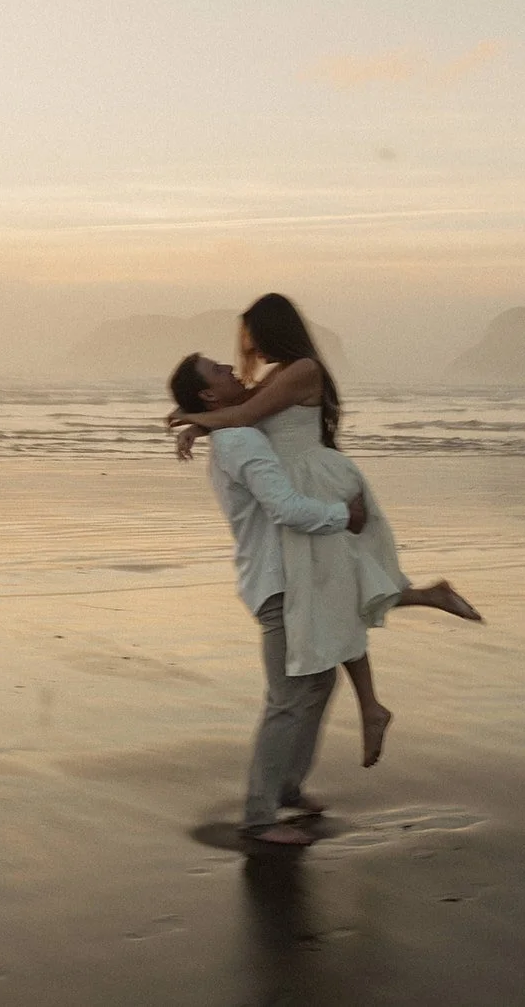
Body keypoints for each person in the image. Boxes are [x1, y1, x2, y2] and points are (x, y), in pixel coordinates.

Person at [169, 294, 482, 766]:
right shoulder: (281, 375)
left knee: (337, 593)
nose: (246, 352)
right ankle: (380, 691)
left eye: (251, 338)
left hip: (318, 485)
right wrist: (203, 425)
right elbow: (239, 412)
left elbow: (242, 416)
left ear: (272, 330)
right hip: (307, 485)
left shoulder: (302, 370)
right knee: (337, 593)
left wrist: (194, 420)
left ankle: (380, 692)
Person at [167, 352, 369, 846]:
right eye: (219, 371)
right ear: (210, 394)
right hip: (278, 584)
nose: (233, 370)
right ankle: (258, 816)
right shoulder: (240, 440)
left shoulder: (235, 429)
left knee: (319, 683)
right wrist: (346, 515)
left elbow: (257, 401)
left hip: (286, 576)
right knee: (286, 699)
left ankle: (287, 787)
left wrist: (198, 423)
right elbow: (285, 508)